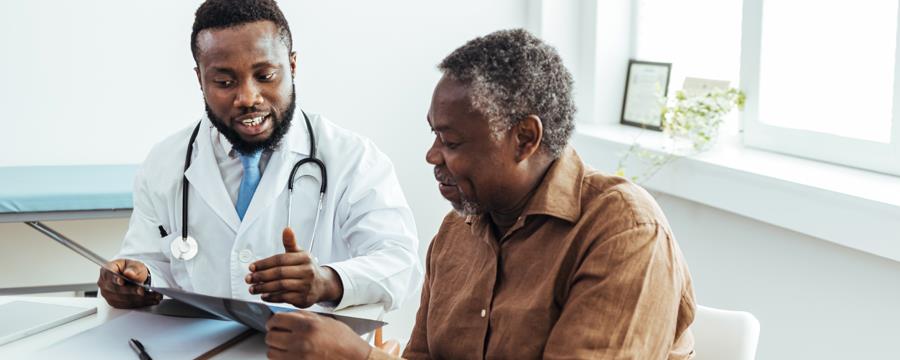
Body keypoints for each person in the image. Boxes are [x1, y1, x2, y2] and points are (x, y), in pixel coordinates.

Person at [263, 29, 696, 359]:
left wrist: (361, 356)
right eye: (434, 134)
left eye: (451, 142)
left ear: (525, 138)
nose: (432, 155)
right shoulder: (455, 234)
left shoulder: (625, 232)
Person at [97, 0, 421, 313]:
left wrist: (327, 281)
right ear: (200, 79)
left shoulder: (353, 158)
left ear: (292, 66)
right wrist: (134, 278)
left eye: (265, 76)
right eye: (224, 82)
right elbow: (149, 261)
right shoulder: (165, 162)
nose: (248, 98)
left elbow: (399, 263)